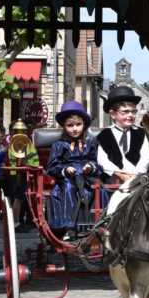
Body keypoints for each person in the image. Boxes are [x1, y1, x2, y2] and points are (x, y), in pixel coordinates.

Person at [46, 101, 102, 236]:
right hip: (67, 180)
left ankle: (98, 223)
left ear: (84, 125)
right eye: (70, 125)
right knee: (70, 187)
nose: (75, 129)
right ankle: (69, 226)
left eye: (78, 125)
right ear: (64, 127)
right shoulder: (59, 145)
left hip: (86, 177)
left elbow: (96, 162)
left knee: (99, 189)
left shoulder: (90, 143)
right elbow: (52, 166)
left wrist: (91, 167)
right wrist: (65, 170)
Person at [96, 85, 149, 183]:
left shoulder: (141, 133)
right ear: (113, 114)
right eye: (125, 112)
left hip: (138, 178)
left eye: (133, 112)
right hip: (113, 178)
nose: (130, 115)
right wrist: (119, 174)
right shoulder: (104, 135)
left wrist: (136, 174)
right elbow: (102, 160)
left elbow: (145, 157)